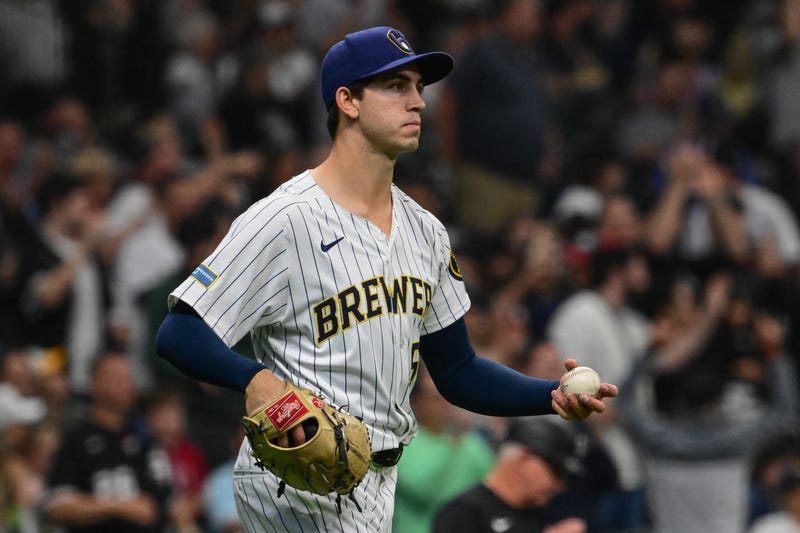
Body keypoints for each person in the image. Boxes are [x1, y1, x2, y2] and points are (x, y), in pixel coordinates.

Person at [155, 25, 617, 532]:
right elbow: (179, 332)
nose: (418, 102)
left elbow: (458, 371)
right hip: (295, 480)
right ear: (347, 100)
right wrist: (255, 380)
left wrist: (548, 395)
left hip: (378, 482)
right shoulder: (285, 220)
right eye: (396, 86)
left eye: (418, 87)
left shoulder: (427, 232)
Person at [42, 352, 172, 533]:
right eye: (117, 378)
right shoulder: (75, 440)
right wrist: (117, 506)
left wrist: (93, 504)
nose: (126, 385)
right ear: (94, 383)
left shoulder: (145, 440)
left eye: (128, 378)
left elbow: (157, 505)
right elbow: (58, 505)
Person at [433, 416, 588, 533]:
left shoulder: (535, 514)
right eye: (556, 471)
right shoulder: (464, 513)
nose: (560, 485)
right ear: (525, 457)